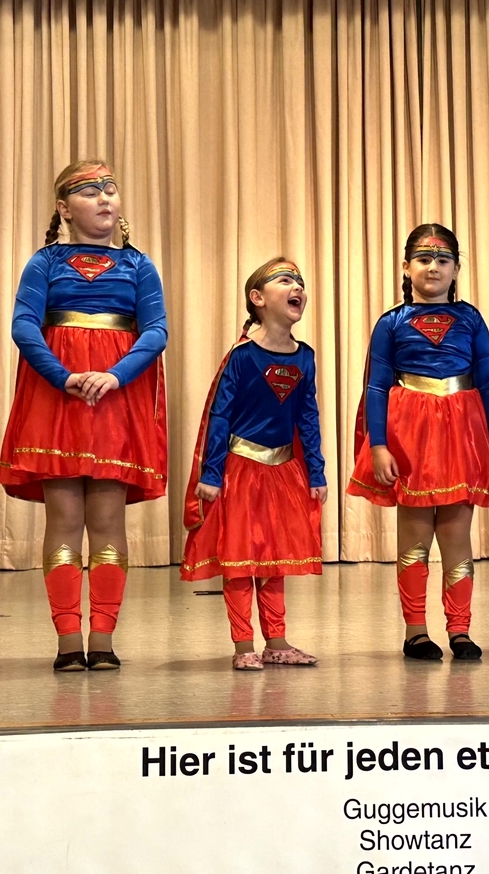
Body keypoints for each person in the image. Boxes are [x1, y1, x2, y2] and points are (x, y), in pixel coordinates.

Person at [0, 160, 168, 672]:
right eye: (90, 191)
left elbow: (155, 331)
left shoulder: (139, 265)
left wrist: (115, 375)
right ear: (64, 208)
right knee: (65, 518)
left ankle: (104, 638)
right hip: (58, 399)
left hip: (115, 399)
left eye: (110, 188)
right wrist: (62, 375)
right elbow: (24, 326)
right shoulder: (44, 263)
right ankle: (68, 639)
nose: (104, 198)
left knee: (108, 519)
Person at [348, 224, 489, 662]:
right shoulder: (390, 323)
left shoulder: (471, 319)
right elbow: (376, 387)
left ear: (456, 268)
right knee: (415, 538)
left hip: (462, 434)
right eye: (423, 259)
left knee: (457, 537)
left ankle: (460, 629)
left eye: (442, 260)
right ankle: (416, 631)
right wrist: (378, 445)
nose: (433, 267)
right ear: (406, 267)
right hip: (410, 435)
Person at [181, 258, 326, 670]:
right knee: (240, 560)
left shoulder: (305, 357)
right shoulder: (242, 357)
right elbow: (219, 415)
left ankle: (276, 641)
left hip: (283, 470)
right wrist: (212, 473)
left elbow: (307, 417)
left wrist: (316, 471)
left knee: (275, 559)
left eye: (300, 281)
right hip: (240, 469)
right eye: (285, 280)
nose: (297, 286)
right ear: (258, 298)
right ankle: (243, 644)